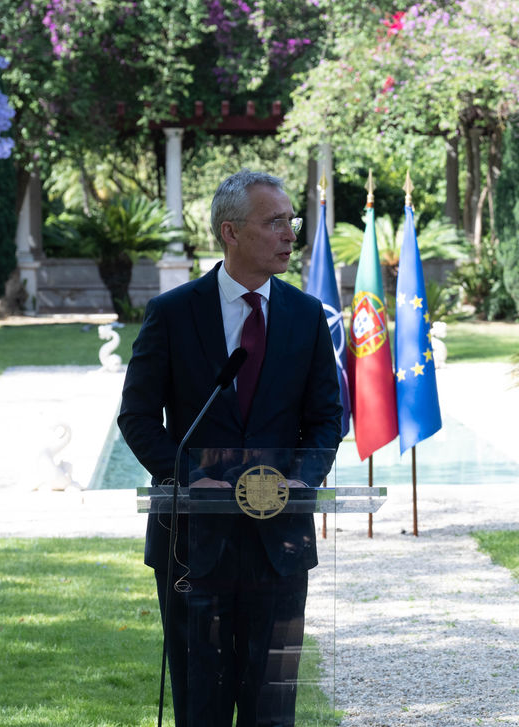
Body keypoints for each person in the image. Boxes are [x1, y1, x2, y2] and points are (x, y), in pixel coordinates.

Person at [119, 170, 343, 726]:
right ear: (231, 231)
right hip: (192, 545)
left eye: (292, 221)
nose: (291, 233)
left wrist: (304, 479)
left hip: (280, 543)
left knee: (273, 711)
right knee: (202, 710)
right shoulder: (172, 314)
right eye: (275, 222)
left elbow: (326, 419)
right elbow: (139, 417)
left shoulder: (307, 316)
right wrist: (191, 476)